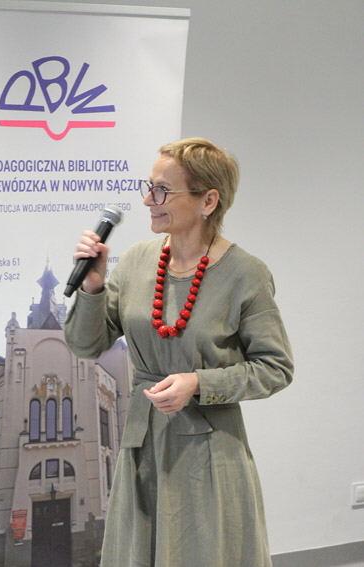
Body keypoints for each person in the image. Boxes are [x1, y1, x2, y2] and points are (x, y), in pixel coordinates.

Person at [64, 137, 293, 567]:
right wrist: (93, 287)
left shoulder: (247, 274)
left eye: (162, 191)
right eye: (149, 187)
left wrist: (198, 383)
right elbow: (85, 344)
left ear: (208, 201)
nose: (148, 200)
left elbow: (275, 368)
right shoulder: (137, 261)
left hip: (209, 455)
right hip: (141, 444)